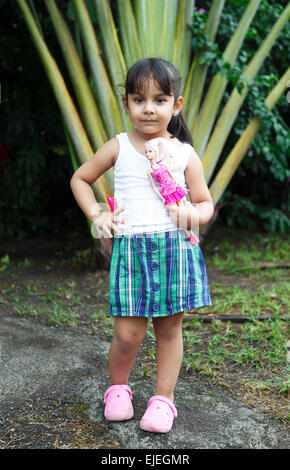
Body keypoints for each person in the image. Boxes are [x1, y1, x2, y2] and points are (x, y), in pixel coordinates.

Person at [70, 57, 214, 434]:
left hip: (175, 249)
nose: (149, 108)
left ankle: (163, 399)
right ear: (127, 103)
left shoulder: (183, 153)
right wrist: (96, 213)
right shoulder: (118, 147)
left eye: (160, 99)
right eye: (139, 99)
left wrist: (191, 215)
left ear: (175, 104)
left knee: (169, 330)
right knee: (127, 333)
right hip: (131, 251)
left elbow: (205, 203)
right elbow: (81, 179)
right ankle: (118, 389)